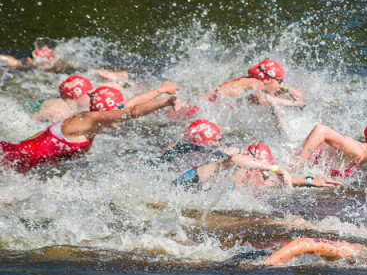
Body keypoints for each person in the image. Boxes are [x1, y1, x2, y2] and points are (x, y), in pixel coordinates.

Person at [1, 83, 181, 173]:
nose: (120, 112)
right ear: (105, 111)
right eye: (116, 109)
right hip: (11, 159)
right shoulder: (88, 119)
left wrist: (161, 90)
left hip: (21, 163)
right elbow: (131, 112)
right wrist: (165, 102)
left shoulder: (95, 119)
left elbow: (131, 104)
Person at [174, 142, 340, 192]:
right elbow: (236, 158)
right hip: (179, 191)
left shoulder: (254, 177)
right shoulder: (226, 167)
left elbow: (275, 181)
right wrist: (275, 168)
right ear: (252, 168)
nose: (265, 178)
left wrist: (311, 181)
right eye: (263, 172)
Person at [293, 118, 367, 177]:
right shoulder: (357, 150)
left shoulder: (364, 158)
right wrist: (299, 163)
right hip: (290, 158)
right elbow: (321, 130)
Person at [206, 59, 305, 110]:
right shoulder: (253, 83)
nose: (282, 85)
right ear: (268, 79)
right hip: (198, 111)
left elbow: (268, 94)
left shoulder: (255, 82)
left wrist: (287, 90)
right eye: (279, 81)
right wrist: (296, 104)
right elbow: (263, 99)